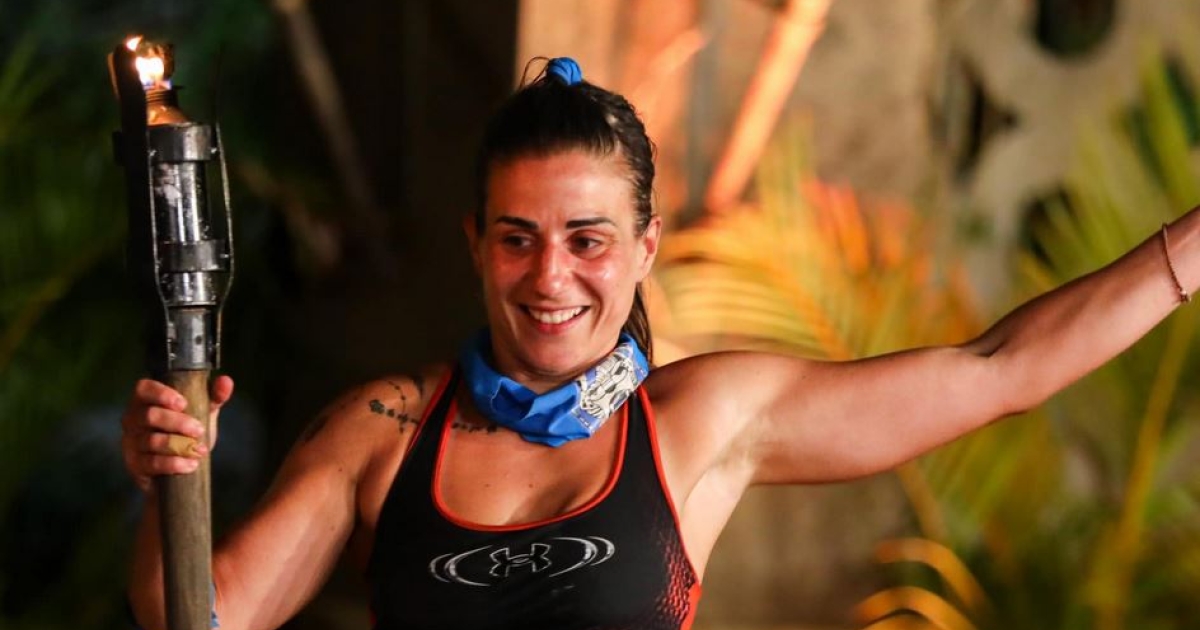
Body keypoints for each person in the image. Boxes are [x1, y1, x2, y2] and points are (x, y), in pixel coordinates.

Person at [121, 57, 1200, 630]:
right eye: (518, 238)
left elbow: (1001, 370)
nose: (551, 277)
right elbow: (197, 617)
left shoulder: (703, 422)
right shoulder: (383, 430)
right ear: (476, 245)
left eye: (588, 241)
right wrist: (169, 476)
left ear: (645, 249)